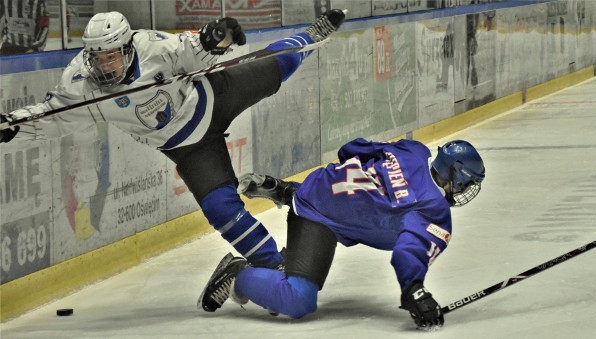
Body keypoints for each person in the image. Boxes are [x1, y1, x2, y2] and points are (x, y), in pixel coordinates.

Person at [0, 9, 346, 304]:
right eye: (98, 58)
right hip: (188, 146)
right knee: (219, 208)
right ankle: (272, 267)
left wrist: (216, 38)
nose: (105, 66)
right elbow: (52, 115)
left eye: (111, 56)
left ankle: (310, 35)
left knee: (276, 64)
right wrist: (14, 125)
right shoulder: (81, 84)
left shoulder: (152, 46)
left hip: (215, 95)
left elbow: (195, 49)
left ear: (126, 46)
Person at [200, 137, 486, 330]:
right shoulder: (434, 210)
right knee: (295, 299)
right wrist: (415, 291)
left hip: (323, 187)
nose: (465, 190)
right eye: (467, 183)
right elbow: (409, 253)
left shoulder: (415, 151)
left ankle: (290, 192)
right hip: (318, 218)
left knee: (355, 206)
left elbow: (353, 149)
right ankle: (238, 274)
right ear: (456, 175)